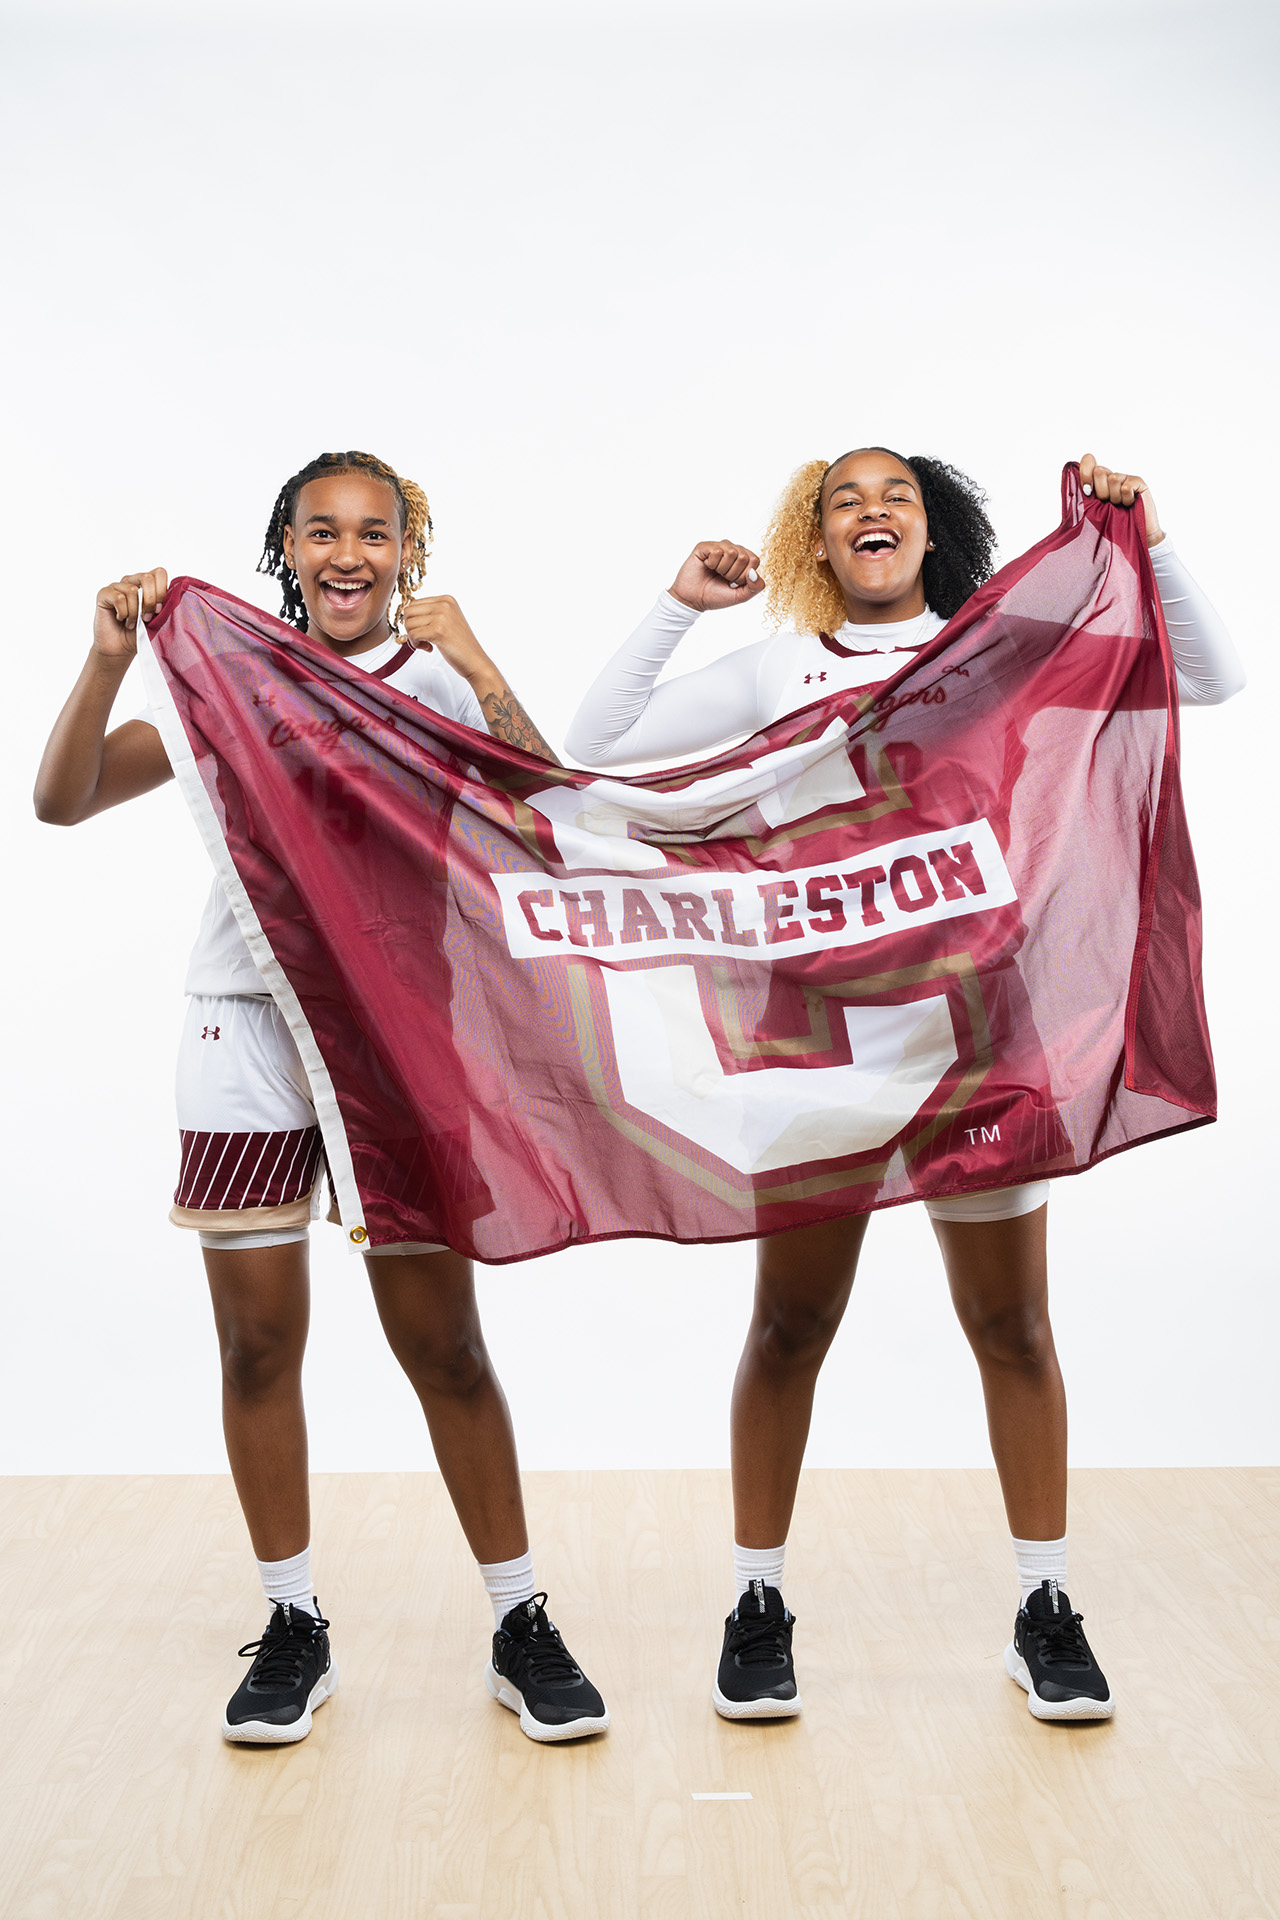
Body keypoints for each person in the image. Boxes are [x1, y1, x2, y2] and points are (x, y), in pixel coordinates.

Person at [565, 447, 1245, 1723]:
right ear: (814, 541)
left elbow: (1205, 676)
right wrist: (675, 609)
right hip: (816, 1036)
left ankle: (1043, 1603)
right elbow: (589, 751)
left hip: (971, 1031)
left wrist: (1145, 537)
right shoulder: (781, 663)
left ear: (932, 533)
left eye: (896, 495)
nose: (870, 509)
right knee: (789, 1326)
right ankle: (756, 1599)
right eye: (841, 499)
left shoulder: (999, 644)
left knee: (1010, 1327)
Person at [34, 450, 609, 1747]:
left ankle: (519, 1621)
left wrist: (488, 662)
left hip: (400, 1031)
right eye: (320, 531)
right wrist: (108, 660)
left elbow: (555, 816)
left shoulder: (439, 674)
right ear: (284, 550)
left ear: (410, 553)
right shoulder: (222, 677)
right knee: (255, 1345)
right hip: (244, 1031)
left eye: (375, 533)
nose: (348, 553)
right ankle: (293, 1622)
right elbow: (61, 803)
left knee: (443, 1345)